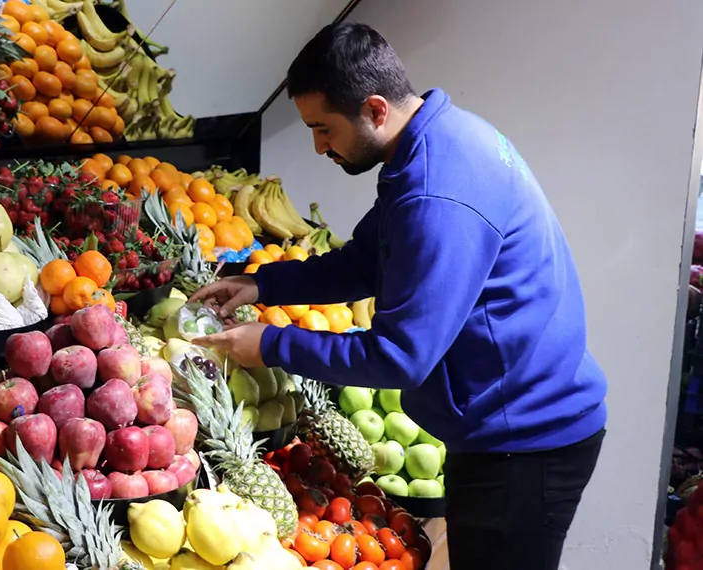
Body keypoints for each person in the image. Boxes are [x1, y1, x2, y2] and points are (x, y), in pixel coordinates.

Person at [189, 21, 608, 570]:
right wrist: (264, 283)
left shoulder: (436, 189)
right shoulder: (436, 140)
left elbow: (400, 357)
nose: (318, 147)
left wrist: (271, 344)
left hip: (524, 443)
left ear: (376, 109)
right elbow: (367, 259)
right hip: (512, 421)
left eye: (324, 129)